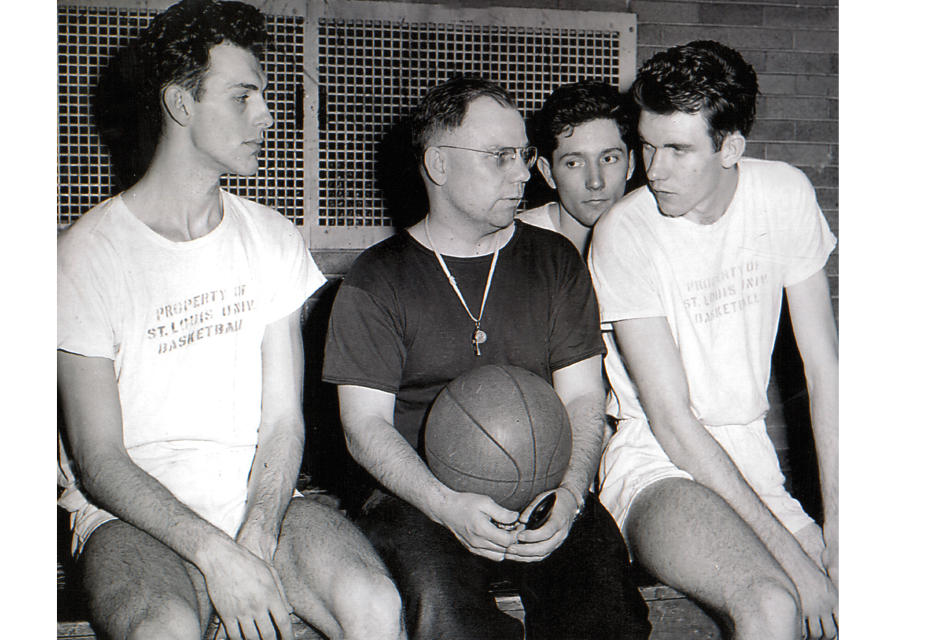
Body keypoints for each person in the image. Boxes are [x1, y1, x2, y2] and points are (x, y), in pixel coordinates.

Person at [56, 2, 405, 638]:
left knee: (375, 606)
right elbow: (99, 459)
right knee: (162, 631)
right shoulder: (85, 255)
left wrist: (258, 529)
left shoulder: (272, 238)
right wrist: (217, 556)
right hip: (132, 517)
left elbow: (281, 421)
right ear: (181, 105)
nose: (266, 118)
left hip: (260, 500)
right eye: (242, 97)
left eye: (263, 97)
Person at [323, 75, 651, 640]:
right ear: (439, 165)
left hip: (546, 485)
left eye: (522, 155)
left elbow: (582, 395)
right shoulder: (376, 279)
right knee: (444, 615)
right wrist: (445, 504)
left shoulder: (554, 262)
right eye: (500, 157)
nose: (525, 172)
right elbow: (363, 426)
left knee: (607, 614)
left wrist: (571, 493)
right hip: (418, 497)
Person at [588, 41, 839, 639]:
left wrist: (841, 534)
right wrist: (799, 564)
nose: (654, 169)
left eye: (678, 148)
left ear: (730, 148)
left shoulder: (783, 195)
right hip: (657, 464)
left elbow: (826, 373)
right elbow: (672, 421)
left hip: (751, 463)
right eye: (648, 145)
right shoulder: (624, 232)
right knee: (773, 601)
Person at [519, 79, 636, 255]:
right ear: (548, 173)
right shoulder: (518, 246)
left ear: (630, 164)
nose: (595, 182)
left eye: (609, 159)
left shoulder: (649, 240)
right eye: (574, 163)